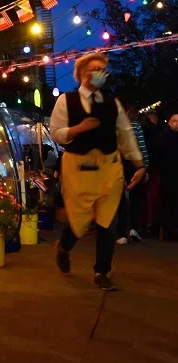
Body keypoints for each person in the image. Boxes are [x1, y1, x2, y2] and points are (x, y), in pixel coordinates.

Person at [49, 54, 145, 291]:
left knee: (107, 221)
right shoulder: (66, 100)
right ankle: (64, 246)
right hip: (78, 168)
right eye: (96, 69)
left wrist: (139, 163)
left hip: (109, 168)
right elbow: (56, 132)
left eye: (103, 70)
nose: (101, 73)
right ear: (83, 73)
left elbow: (125, 135)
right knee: (79, 220)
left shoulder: (113, 104)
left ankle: (102, 270)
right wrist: (78, 129)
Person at [116, 106, 148, 245]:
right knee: (136, 196)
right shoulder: (136, 126)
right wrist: (144, 167)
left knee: (120, 199)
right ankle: (134, 228)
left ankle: (121, 233)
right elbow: (142, 146)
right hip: (135, 164)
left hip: (118, 163)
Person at [142, 109, 165, 237]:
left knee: (148, 196)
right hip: (152, 166)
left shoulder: (146, 130)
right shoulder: (154, 132)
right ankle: (150, 223)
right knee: (152, 196)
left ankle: (148, 223)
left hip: (147, 166)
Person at [157, 112, 178, 241]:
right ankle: (168, 230)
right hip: (168, 175)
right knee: (168, 202)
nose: (176, 124)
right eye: (174, 121)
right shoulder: (164, 136)